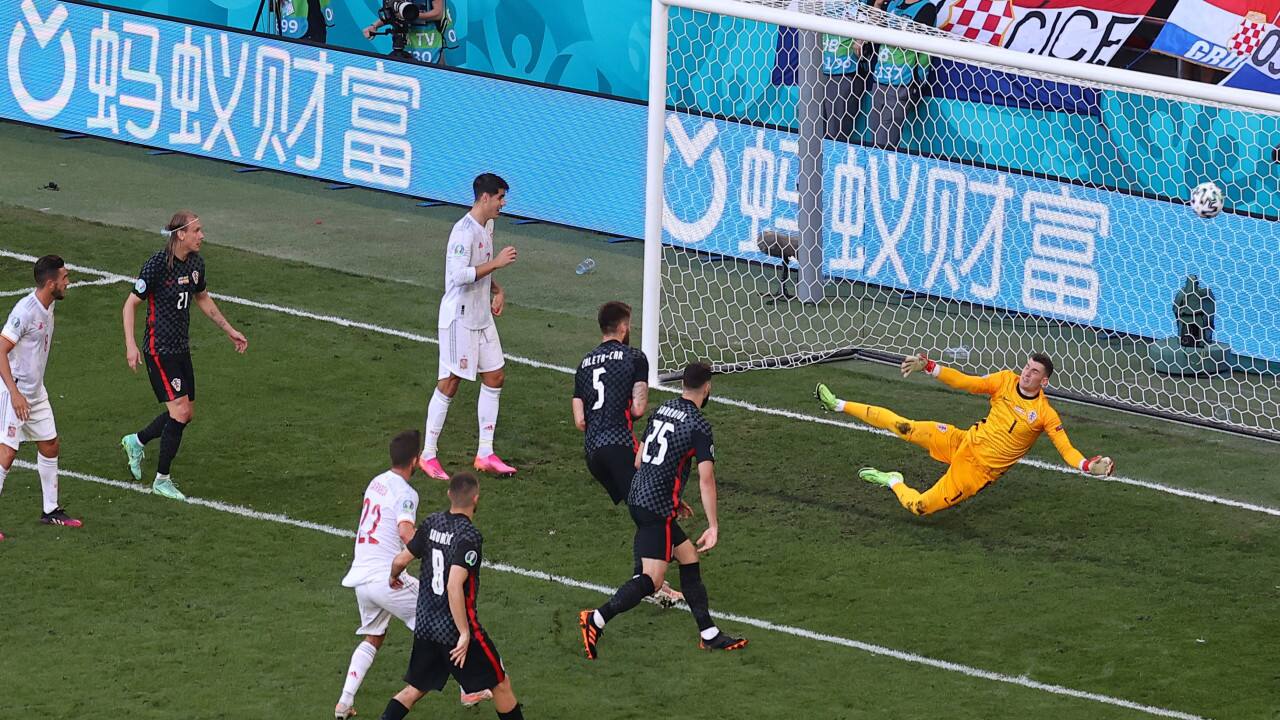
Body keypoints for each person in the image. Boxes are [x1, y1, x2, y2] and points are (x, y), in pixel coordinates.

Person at [579, 363, 747, 659]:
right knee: (652, 580)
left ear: (683, 384)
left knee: (688, 556)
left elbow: (639, 459)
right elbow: (706, 479)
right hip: (656, 508)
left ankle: (708, 633)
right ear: (707, 388)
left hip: (639, 496)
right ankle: (597, 618)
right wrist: (713, 525)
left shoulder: (663, 409)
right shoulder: (698, 425)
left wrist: (668, 494)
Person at [814, 353, 1116, 516]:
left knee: (919, 508)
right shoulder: (1004, 381)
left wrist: (1086, 465)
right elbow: (966, 382)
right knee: (905, 427)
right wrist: (929, 367)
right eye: (1027, 367)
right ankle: (837, 404)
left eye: (1034, 372)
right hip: (963, 441)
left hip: (975, 473)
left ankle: (894, 481)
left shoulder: (1046, 414)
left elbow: (1066, 449)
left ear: (1044, 381)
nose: (1026, 373)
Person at [335, 431, 490, 720]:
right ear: (415, 460)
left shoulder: (376, 482)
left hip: (361, 577)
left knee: (374, 636)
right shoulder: (406, 493)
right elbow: (406, 532)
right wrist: (436, 544)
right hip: (386, 577)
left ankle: (344, 701)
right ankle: (469, 688)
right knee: (445, 617)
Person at [119, 212, 248, 501]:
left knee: (185, 412)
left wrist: (229, 330)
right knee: (180, 412)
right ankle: (162, 480)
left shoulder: (195, 264)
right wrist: (130, 345)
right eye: (197, 231)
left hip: (180, 348)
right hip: (159, 349)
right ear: (181, 234)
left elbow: (202, 298)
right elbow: (130, 305)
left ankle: (137, 441)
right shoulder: (157, 265)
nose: (202, 236)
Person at [378, 472, 525, 720]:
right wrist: (464, 633)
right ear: (476, 498)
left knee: (415, 689)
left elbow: (401, 560)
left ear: (449, 495)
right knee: (500, 684)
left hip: (426, 626)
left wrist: (393, 576)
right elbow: (454, 585)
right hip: (454, 631)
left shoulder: (431, 523)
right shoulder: (469, 536)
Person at [571, 301, 682, 607]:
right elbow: (639, 408)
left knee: (642, 507)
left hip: (593, 453)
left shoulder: (584, 363)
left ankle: (652, 575)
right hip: (619, 445)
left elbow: (579, 420)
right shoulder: (635, 357)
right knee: (649, 510)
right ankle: (648, 581)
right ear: (622, 327)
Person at [419, 174, 518, 481]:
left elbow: (480, 268)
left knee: (495, 375)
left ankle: (485, 453)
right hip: (459, 318)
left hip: (480, 316)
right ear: (485, 198)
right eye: (500, 197)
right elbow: (458, 275)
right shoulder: (463, 232)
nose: (503, 203)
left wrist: (497, 289)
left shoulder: (487, 227)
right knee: (450, 382)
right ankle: (428, 455)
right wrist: (497, 263)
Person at [0, 255, 81, 540]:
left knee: (49, 444)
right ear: (50, 284)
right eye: (64, 278)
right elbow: (0, 349)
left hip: (36, 391)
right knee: (6, 453)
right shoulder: (25, 312)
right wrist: (14, 394)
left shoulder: (49, 304)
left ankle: (50, 510)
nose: (68, 282)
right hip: (15, 390)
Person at [868, 0, 937, 148]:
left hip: (902, 83)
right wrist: (878, 5)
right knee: (873, 136)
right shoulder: (893, 4)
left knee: (885, 142)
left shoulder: (926, 8)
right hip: (880, 78)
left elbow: (915, 45)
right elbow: (873, 30)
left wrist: (918, 81)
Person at [363, 0, 453, 65]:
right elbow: (394, 12)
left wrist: (412, 14)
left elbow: (438, 13)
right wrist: (374, 26)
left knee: (436, 78)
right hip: (408, 43)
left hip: (431, 43)